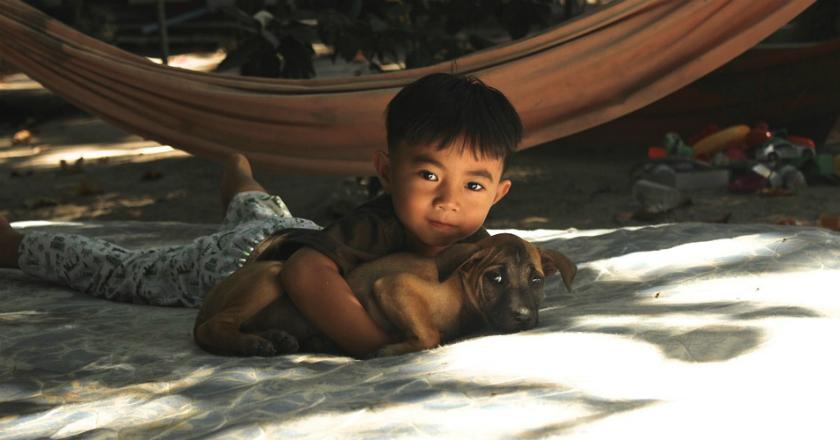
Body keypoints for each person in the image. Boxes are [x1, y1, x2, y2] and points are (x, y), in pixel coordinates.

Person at [0, 72, 522, 358]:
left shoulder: (477, 243)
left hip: (289, 231)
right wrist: (367, 341)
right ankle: (16, 246)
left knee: (262, 211)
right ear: (386, 172)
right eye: (428, 176)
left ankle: (239, 181)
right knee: (127, 272)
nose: (448, 200)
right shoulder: (377, 224)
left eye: (472, 184)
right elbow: (300, 270)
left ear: (497, 194)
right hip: (238, 263)